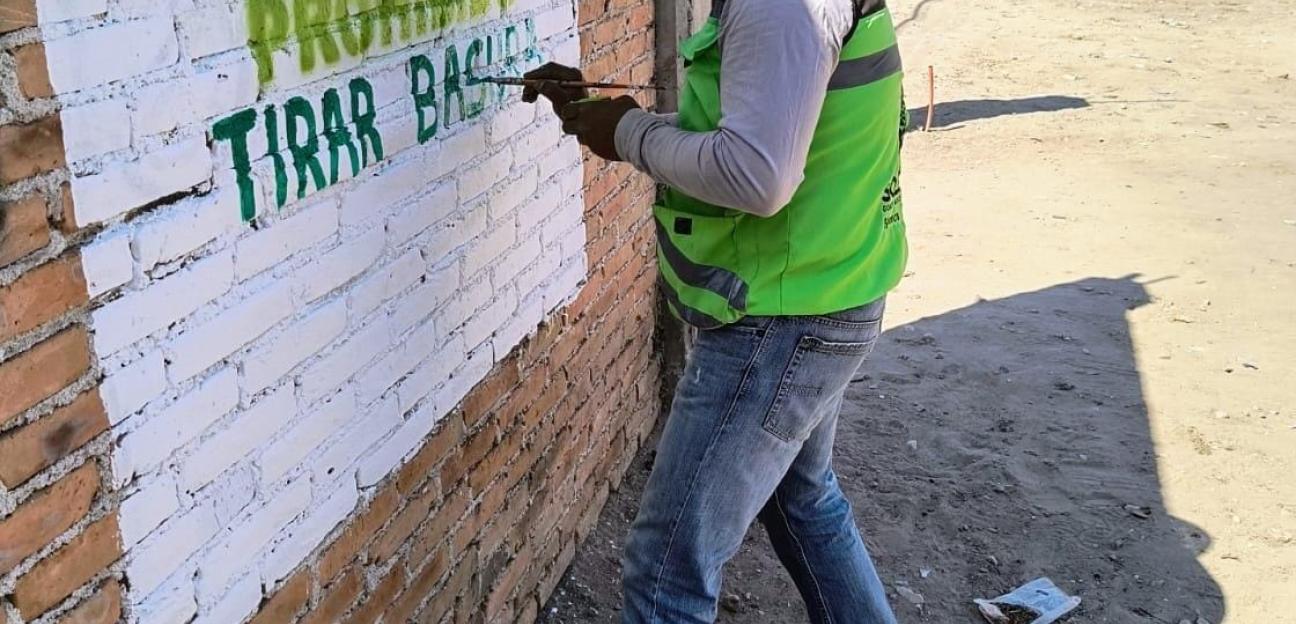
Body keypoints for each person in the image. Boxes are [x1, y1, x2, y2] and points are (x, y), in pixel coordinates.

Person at [523, 0, 908, 618]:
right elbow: (764, 122)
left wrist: (629, 133)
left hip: (782, 321)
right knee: (803, 501)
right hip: (828, 291)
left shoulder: (780, 7)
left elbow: (757, 175)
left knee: (665, 573)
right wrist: (615, 120)